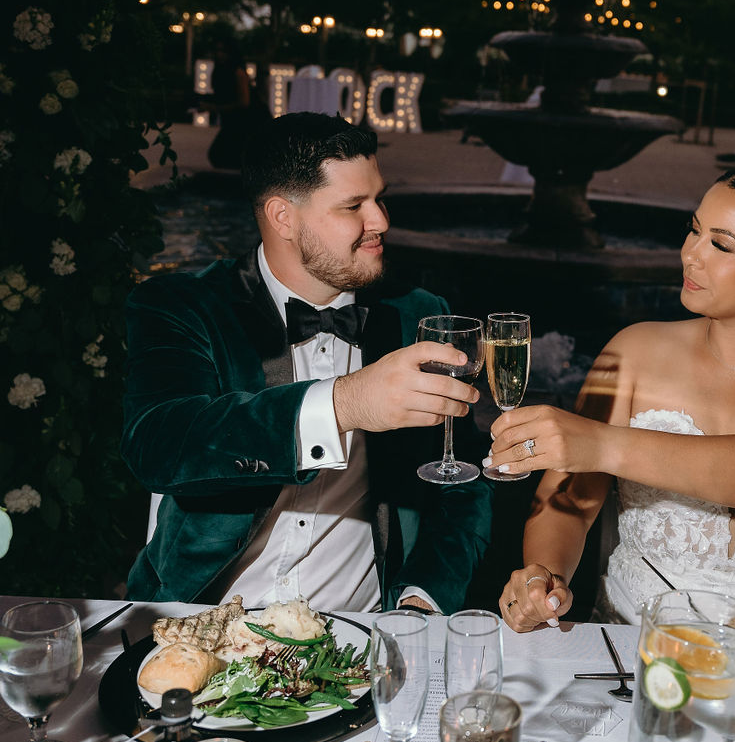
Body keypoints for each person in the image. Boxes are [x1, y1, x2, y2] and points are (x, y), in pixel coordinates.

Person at [123, 112, 491, 612]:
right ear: (283, 217)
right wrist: (343, 404)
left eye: (378, 198)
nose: (380, 220)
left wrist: (422, 598)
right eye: (353, 206)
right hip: (201, 622)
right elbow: (158, 445)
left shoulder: (420, 316)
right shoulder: (184, 305)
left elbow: (460, 483)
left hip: (356, 633)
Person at [491, 164, 735, 632]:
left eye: (720, 244)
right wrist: (543, 577)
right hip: (635, 644)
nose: (690, 255)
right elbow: (569, 503)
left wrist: (603, 444)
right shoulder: (633, 350)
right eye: (693, 231)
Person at [207, 44, 269, 169]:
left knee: (220, 155)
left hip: (249, 121)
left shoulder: (238, 73)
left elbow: (244, 103)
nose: (219, 54)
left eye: (223, 51)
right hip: (238, 121)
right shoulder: (222, 72)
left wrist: (214, 108)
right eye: (217, 51)